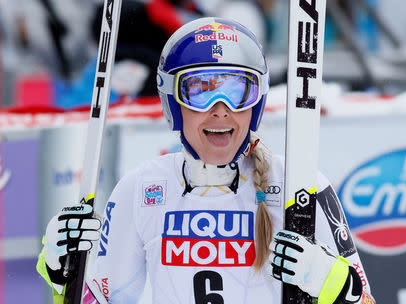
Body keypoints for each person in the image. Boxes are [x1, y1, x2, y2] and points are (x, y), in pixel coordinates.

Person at [37, 17, 376, 304]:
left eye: (237, 90)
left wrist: (329, 281)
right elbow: (100, 298)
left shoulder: (297, 184)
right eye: (199, 90)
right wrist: (61, 270)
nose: (220, 109)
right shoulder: (143, 189)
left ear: (256, 101)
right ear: (173, 102)